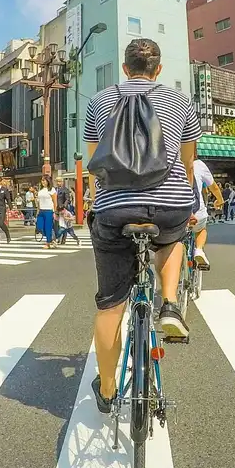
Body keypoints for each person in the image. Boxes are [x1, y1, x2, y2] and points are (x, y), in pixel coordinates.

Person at [84, 38, 199, 413]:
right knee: (176, 236)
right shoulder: (181, 102)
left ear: (124, 68)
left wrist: (98, 202)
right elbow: (186, 163)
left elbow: (94, 166)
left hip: (114, 209)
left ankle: (106, 389)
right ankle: (169, 304)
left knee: (111, 307)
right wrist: (180, 199)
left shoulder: (99, 102)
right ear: (158, 70)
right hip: (169, 206)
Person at [37, 176, 57, 248]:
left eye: (44, 180)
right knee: (40, 227)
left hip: (49, 210)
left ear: (48, 181)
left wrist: (54, 212)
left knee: (48, 227)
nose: (43, 182)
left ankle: (48, 243)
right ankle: (52, 239)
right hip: (41, 211)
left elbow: (55, 202)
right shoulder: (40, 191)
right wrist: (38, 211)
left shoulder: (52, 190)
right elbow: (38, 202)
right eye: (42, 180)